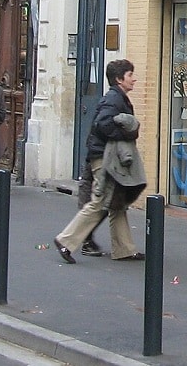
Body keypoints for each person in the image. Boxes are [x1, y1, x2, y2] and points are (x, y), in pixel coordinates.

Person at [53, 59, 144, 264]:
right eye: (130, 75)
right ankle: (66, 240)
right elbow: (103, 125)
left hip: (104, 155)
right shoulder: (113, 99)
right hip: (105, 157)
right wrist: (126, 134)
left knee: (116, 203)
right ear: (120, 79)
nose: (134, 79)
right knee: (101, 201)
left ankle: (124, 249)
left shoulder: (116, 98)